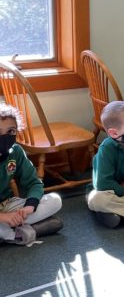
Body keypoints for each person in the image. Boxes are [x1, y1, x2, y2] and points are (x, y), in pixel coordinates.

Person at [0, 103, 63, 245]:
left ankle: (13, 231)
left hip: (7, 204)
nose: (5, 137)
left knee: (55, 200)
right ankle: (21, 233)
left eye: (11, 131)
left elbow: (34, 183)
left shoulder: (15, 151)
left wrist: (30, 206)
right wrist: (3, 217)